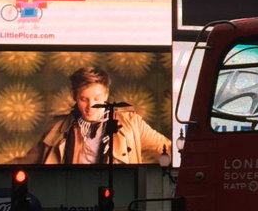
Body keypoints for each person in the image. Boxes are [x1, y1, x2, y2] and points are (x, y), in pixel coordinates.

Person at [25, 67, 172, 165]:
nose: (91, 106)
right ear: (74, 97)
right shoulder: (57, 127)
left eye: (96, 98)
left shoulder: (132, 123)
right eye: (84, 99)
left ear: (106, 94)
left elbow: (168, 150)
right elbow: (27, 161)